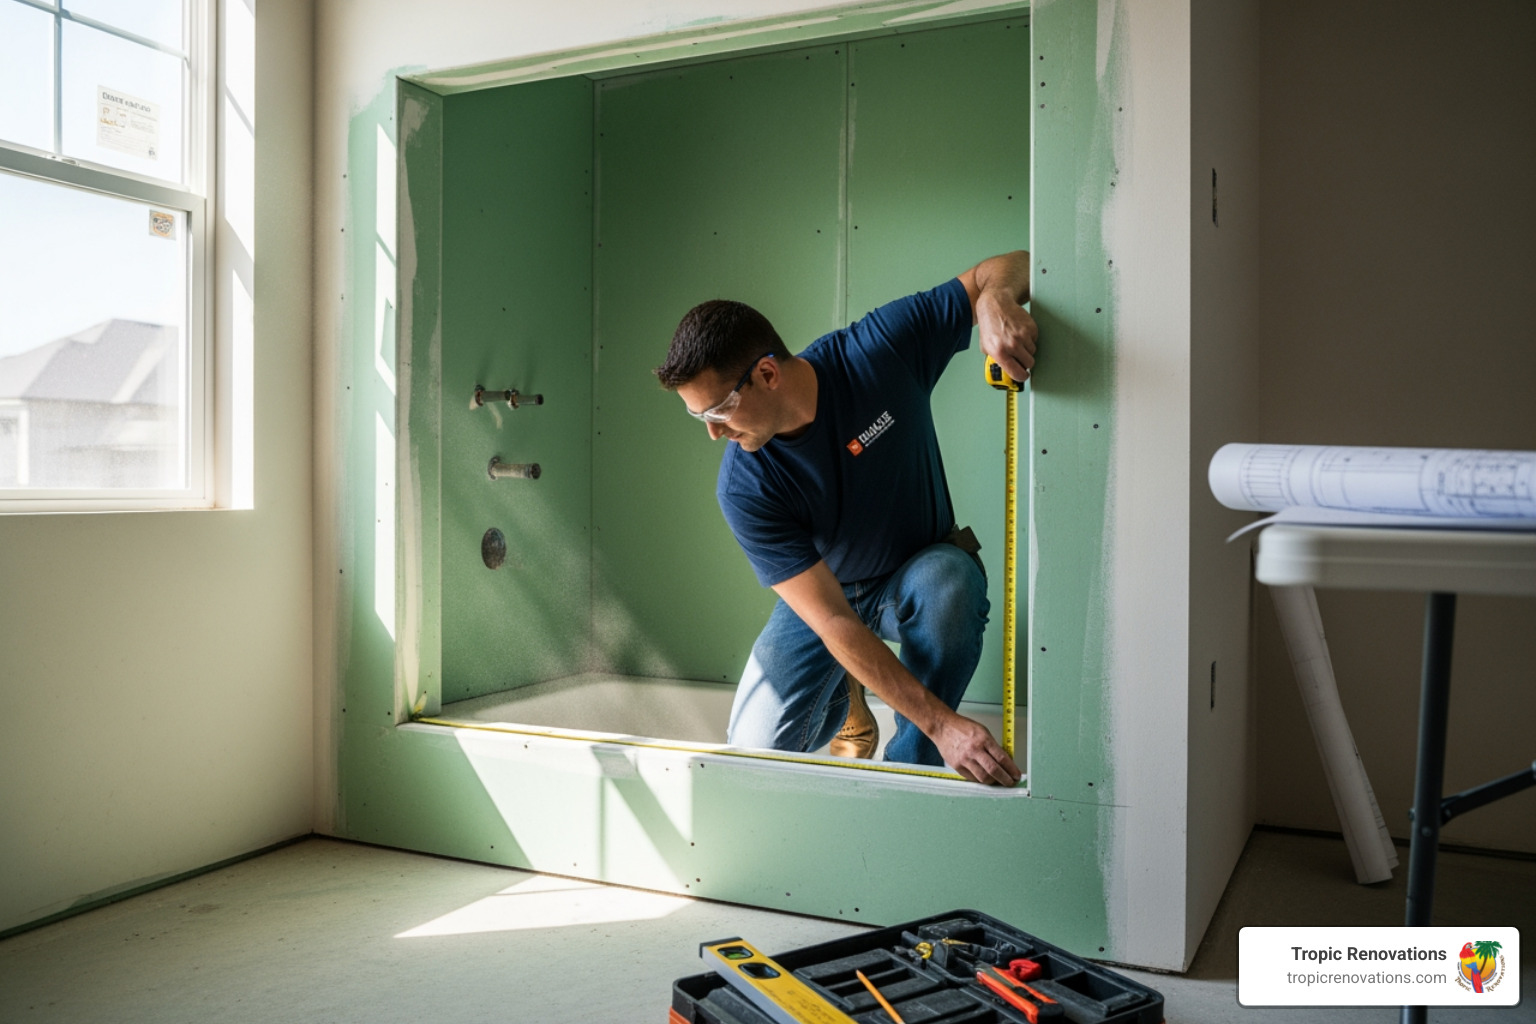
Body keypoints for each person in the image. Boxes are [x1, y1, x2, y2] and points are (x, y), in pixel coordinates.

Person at [654, 252, 1036, 786]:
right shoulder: (744, 485)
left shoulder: (878, 352)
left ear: (766, 373)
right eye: (700, 417)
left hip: (917, 574)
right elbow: (832, 621)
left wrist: (993, 298)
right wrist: (944, 723)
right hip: (828, 600)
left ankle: (908, 779)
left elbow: (1011, 264)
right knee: (753, 758)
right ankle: (853, 700)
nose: (713, 433)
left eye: (718, 411)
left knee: (952, 583)